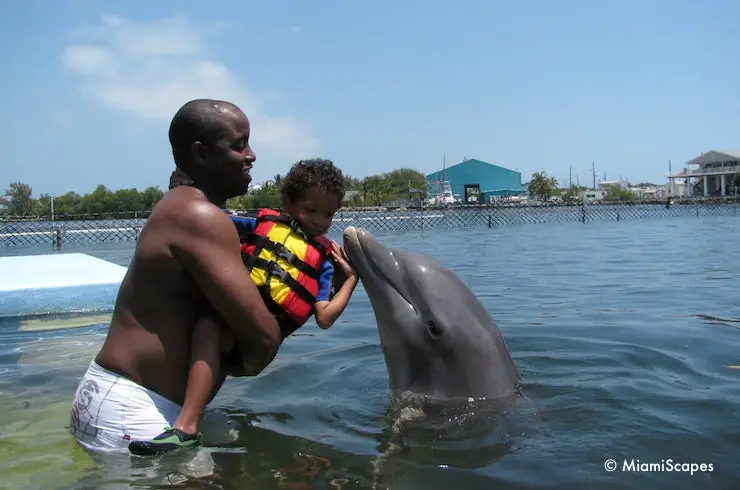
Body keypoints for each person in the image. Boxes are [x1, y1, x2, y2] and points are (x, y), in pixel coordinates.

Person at [69, 99, 283, 453]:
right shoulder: (200, 217)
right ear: (200, 154)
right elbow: (262, 336)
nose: (251, 155)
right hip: (136, 411)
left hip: (107, 395)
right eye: (238, 144)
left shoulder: (176, 204)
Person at [128, 158, 359, 456]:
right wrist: (179, 196)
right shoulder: (262, 224)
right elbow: (205, 219)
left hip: (259, 337)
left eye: (328, 214)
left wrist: (351, 279)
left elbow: (325, 318)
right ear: (287, 202)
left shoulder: (322, 260)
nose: (319, 221)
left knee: (209, 327)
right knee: (209, 333)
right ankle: (185, 421)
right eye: (311, 210)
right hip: (234, 326)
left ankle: (185, 428)